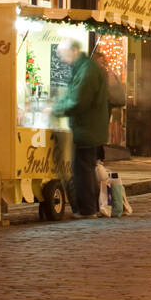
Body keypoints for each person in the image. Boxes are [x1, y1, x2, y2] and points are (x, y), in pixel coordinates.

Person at [52, 39, 109, 218]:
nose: (62, 59)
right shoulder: (84, 68)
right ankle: (90, 207)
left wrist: (56, 109)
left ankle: (87, 209)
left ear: (74, 51)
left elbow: (79, 100)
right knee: (85, 168)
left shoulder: (87, 71)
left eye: (63, 54)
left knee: (82, 169)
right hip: (88, 127)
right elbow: (75, 95)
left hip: (86, 128)